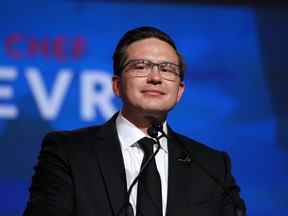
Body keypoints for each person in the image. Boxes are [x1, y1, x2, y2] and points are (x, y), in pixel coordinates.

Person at [23, 26, 246, 216]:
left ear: (179, 91)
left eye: (167, 69)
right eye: (141, 66)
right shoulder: (68, 152)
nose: (155, 78)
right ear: (117, 85)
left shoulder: (212, 166)